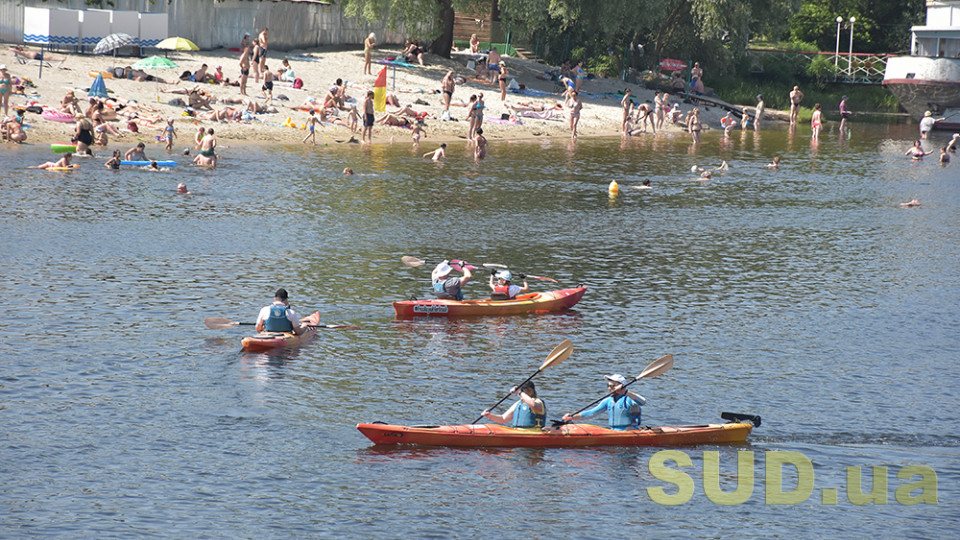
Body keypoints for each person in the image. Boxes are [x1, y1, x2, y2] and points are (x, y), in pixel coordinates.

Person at [561, 374, 647, 430]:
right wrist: (572, 417)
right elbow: (591, 413)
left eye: (612, 386)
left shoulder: (628, 399)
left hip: (629, 432)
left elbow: (643, 402)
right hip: (613, 431)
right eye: (608, 386)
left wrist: (625, 392)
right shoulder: (608, 401)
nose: (609, 388)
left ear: (620, 386)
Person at [480, 381, 546, 428]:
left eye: (523, 390)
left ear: (531, 391)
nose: (519, 394)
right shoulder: (519, 403)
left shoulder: (538, 402)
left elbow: (534, 406)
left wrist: (520, 392)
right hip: (518, 432)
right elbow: (502, 419)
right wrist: (489, 416)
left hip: (534, 433)